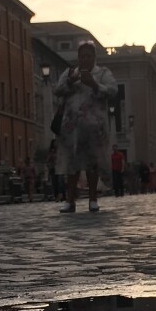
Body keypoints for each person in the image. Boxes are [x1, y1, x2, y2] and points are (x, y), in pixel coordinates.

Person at [53, 41, 116, 213]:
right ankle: (70, 200)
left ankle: (93, 199)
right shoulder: (69, 73)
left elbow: (113, 90)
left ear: (94, 57)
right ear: (78, 58)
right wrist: (70, 81)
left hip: (94, 128)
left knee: (92, 164)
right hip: (71, 128)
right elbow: (57, 90)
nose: (85, 59)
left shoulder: (103, 73)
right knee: (71, 165)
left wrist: (94, 84)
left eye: (88, 56)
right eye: (82, 56)